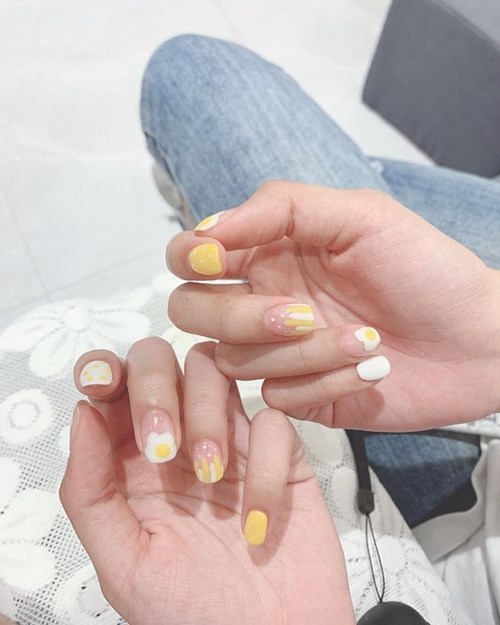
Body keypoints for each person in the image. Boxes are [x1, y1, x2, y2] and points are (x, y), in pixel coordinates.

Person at [60, 34, 500, 623]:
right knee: (349, 191)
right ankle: (343, 177)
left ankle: (213, 195)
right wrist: (488, 340)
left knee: (195, 73)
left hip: (459, 502)